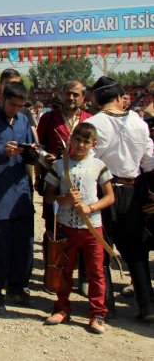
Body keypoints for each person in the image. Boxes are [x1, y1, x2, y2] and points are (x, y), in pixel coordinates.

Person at [84, 76, 154, 321]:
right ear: (118, 97)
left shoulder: (91, 124)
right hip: (133, 190)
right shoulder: (138, 122)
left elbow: (84, 163)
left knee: (101, 251)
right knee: (136, 251)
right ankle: (146, 306)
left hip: (102, 192)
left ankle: (105, 308)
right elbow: (149, 162)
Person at [43, 123, 115, 334]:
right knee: (63, 270)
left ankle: (98, 313)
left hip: (92, 228)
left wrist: (91, 207)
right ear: (71, 140)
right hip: (66, 226)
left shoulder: (99, 165)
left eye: (86, 141)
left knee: (95, 272)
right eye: (78, 139)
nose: (81, 144)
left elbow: (110, 196)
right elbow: (48, 195)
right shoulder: (59, 165)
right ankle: (62, 307)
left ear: (94, 144)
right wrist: (62, 199)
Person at [0, 81, 36, 314]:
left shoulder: (23, 121)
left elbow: (31, 151)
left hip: (20, 191)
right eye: (12, 105)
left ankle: (17, 286)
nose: (15, 110)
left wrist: (34, 152)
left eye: (20, 106)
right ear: (3, 98)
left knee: (23, 244)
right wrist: (1, 152)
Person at [36, 81, 93, 294]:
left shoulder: (89, 120)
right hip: (55, 180)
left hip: (83, 183)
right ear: (61, 94)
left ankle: (84, 277)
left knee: (84, 229)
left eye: (76, 95)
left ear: (83, 98)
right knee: (54, 230)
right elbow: (38, 148)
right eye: (68, 93)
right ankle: (54, 273)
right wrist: (45, 159)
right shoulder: (48, 119)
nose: (71, 98)